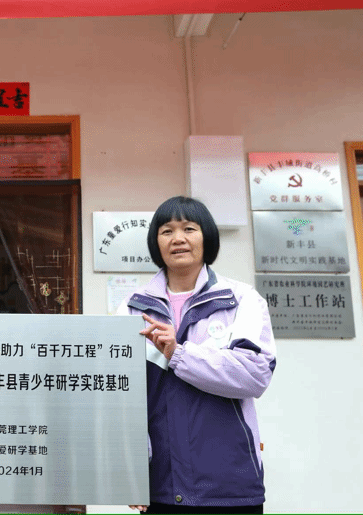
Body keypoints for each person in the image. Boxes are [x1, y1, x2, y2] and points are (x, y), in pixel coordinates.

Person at [117, 196, 276, 514]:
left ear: (207, 238)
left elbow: (255, 374)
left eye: (189, 228)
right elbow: (123, 396)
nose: (178, 238)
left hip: (229, 485)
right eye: (166, 231)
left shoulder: (241, 299)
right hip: (160, 484)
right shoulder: (132, 308)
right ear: (156, 243)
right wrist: (131, 468)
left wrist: (179, 355)